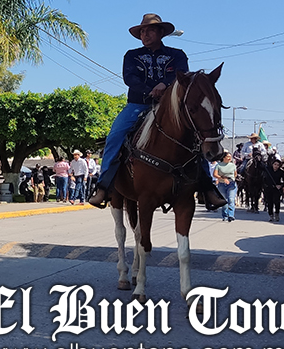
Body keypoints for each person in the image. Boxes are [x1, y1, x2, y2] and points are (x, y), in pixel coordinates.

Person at [89, 14, 226, 211]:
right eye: (142, 31)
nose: (145, 34)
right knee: (114, 136)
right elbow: (129, 78)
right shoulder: (132, 55)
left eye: (150, 30)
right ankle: (103, 186)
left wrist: (165, 85)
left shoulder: (177, 55)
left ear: (161, 32)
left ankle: (207, 187)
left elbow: (183, 77)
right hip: (138, 104)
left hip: (171, 107)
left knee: (195, 137)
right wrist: (149, 90)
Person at [213, 150, 237, 222]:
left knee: (231, 199)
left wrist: (231, 179)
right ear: (224, 158)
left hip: (231, 184)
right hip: (222, 184)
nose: (229, 158)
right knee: (224, 200)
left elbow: (235, 174)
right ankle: (225, 215)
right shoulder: (219, 165)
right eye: (228, 157)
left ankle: (231, 215)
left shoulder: (233, 165)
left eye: (230, 157)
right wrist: (222, 178)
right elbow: (215, 174)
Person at [262, 158, 284, 222]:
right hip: (268, 189)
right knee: (269, 202)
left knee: (277, 202)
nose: (276, 166)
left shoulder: (281, 172)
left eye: (277, 165)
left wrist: (281, 185)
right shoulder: (268, 170)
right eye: (275, 164)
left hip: (277, 189)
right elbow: (263, 179)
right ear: (272, 164)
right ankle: (271, 215)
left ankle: (277, 214)